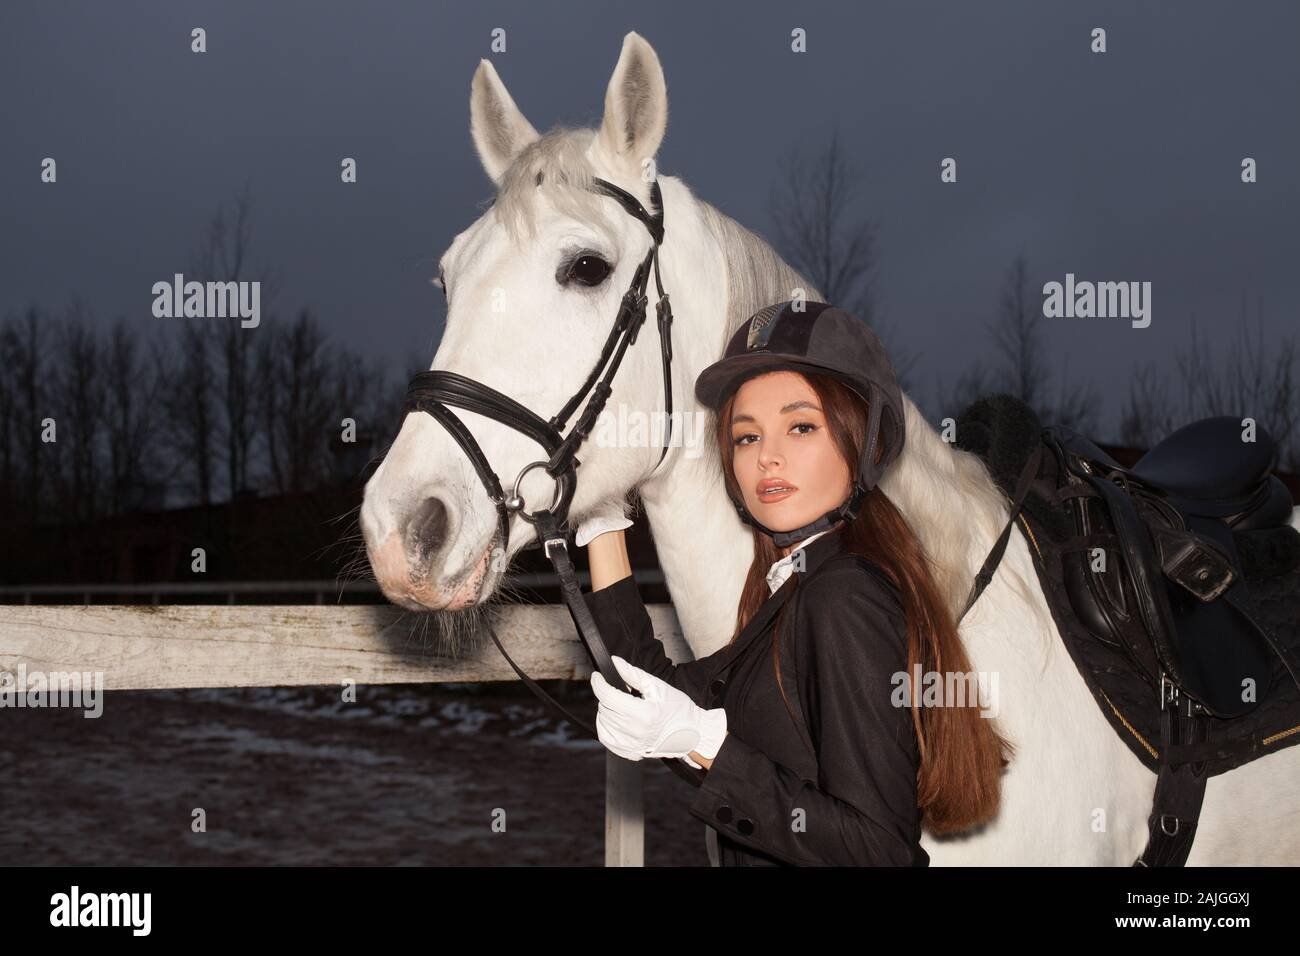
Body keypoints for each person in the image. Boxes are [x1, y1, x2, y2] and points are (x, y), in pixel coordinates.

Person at [578, 300, 1012, 867]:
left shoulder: (843, 597)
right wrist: (600, 522)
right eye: (746, 437)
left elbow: (876, 850)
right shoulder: (793, 586)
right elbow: (655, 690)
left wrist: (704, 746)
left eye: (800, 426)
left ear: (862, 442)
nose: (768, 459)